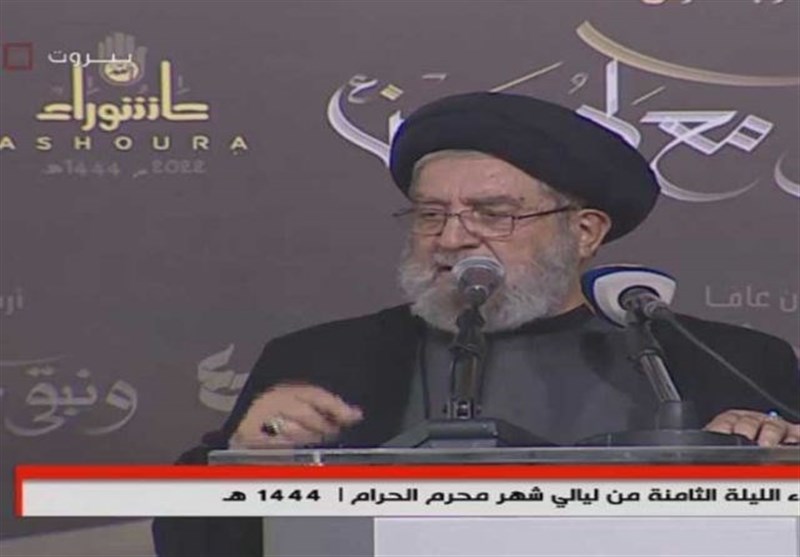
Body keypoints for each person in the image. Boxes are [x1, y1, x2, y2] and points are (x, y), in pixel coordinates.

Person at [153, 92, 800, 556]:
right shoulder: (322, 360)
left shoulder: (726, 363)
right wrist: (248, 460)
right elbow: (188, 541)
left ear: (584, 231)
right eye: (430, 214)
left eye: (493, 214)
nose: (452, 238)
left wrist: (771, 464)